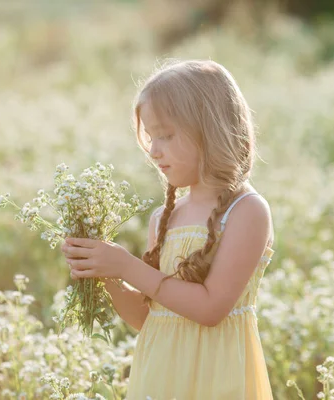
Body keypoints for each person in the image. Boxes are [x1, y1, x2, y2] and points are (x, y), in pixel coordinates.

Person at [61, 59, 275, 399]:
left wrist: (126, 265)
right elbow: (149, 318)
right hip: (160, 378)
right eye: (150, 137)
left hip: (217, 379)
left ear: (210, 130)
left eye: (166, 135)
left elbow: (209, 309)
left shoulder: (246, 211)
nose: (154, 151)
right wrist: (105, 273)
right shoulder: (165, 217)